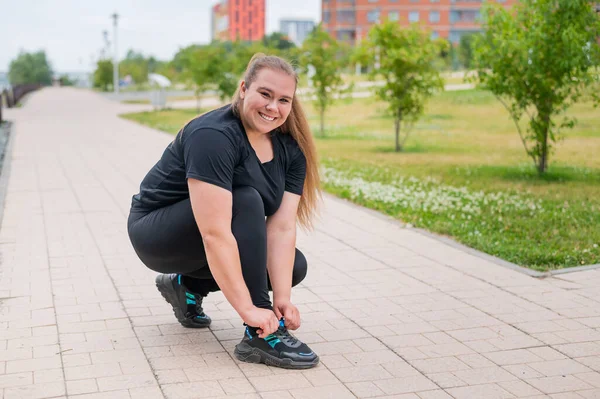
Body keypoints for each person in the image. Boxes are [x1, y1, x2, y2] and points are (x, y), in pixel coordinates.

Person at [127, 54, 321, 370]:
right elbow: (214, 233)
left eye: (284, 99)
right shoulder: (214, 136)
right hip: (155, 233)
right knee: (245, 198)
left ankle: (186, 286)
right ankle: (259, 337)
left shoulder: (290, 151)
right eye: (266, 94)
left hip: (207, 237)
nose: (274, 107)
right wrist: (252, 309)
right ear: (244, 89)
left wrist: (281, 302)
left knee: (292, 266)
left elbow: (282, 228)